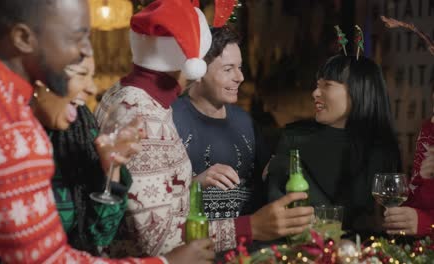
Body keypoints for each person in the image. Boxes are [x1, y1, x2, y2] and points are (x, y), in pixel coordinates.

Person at [0, 0, 213, 263]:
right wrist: (168, 262)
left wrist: (111, 172)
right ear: (24, 38)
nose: (84, 50)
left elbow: (91, 237)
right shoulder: (8, 132)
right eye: (77, 37)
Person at [172, 25, 314, 250]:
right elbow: (154, 209)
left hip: (249, 250)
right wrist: (196, 183)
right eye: (228, 69)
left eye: (240, 67)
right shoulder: (170, 120)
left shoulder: (245, 121)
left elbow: (266, 180)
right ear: (198, 71)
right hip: (193, 250)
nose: (240, 77)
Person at [95, 0, 215, 258]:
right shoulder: (143, 115)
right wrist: (252, 227)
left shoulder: (127, 95)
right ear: (188, 61)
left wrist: (192, 185)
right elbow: (158, 239)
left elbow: (143, 196)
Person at [266, 54, 401, 234]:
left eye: (327, 85)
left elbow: (377, 220)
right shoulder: (294, 136)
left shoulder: (382, 149)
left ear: (358, 91)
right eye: (317, 85)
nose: (315, 93)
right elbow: (276, 209)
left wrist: (282, 164)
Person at [31, 56, 137, 254]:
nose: (92, 89)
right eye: (81, 74)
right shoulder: (0, 139)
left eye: (92, 76)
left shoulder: (79, 126)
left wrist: (110, 168)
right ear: (39, 76)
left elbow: (99, 236)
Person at [383, 96, 434, 236]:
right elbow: (417, 196)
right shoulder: (429, 129)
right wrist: (403, 218)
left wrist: (426, 224)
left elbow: (423, 222)